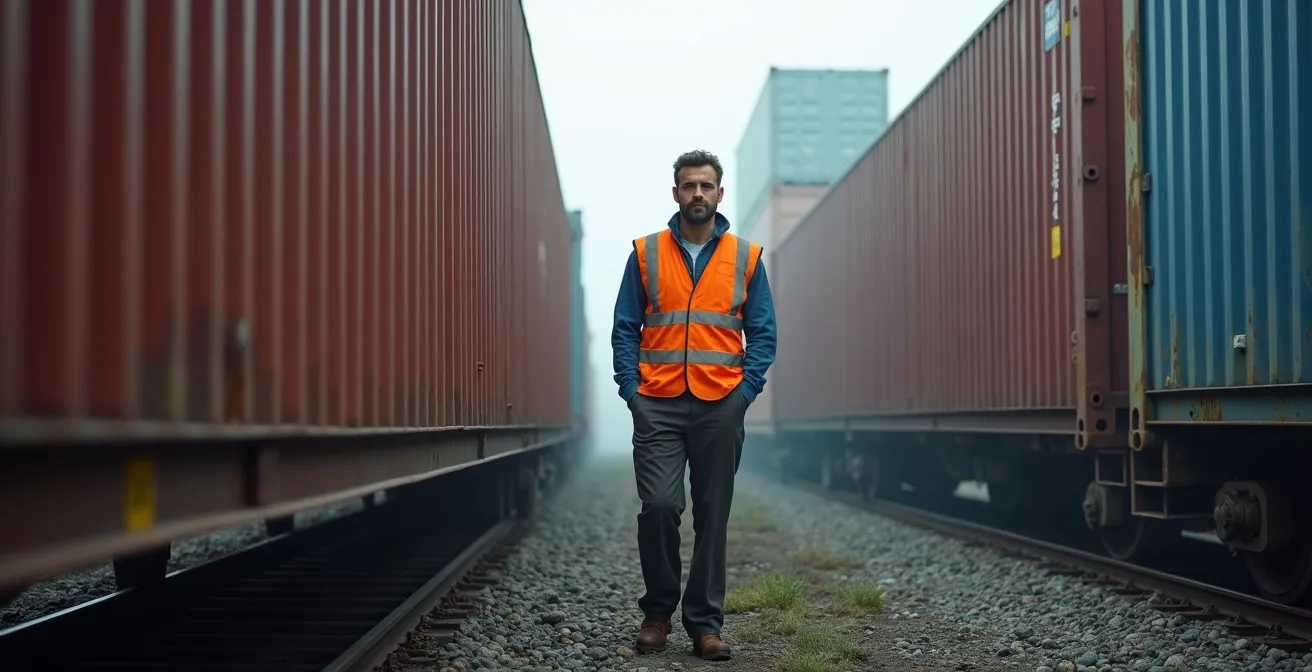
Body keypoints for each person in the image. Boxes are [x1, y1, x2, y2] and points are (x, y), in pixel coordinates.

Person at [610, 149, 778, 661]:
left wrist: (743, 395)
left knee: (713, 512)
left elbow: (763, 333)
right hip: (657, 404)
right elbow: (625, 327)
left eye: (706, 186)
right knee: (660, 507)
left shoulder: (746, 258)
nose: (698, 194)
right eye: (689, 186)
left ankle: (705, 624)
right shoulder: (645, 253)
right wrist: (631, 391)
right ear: (676, 192)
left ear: (720, 194)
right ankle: (657, 614)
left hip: (719, 405)